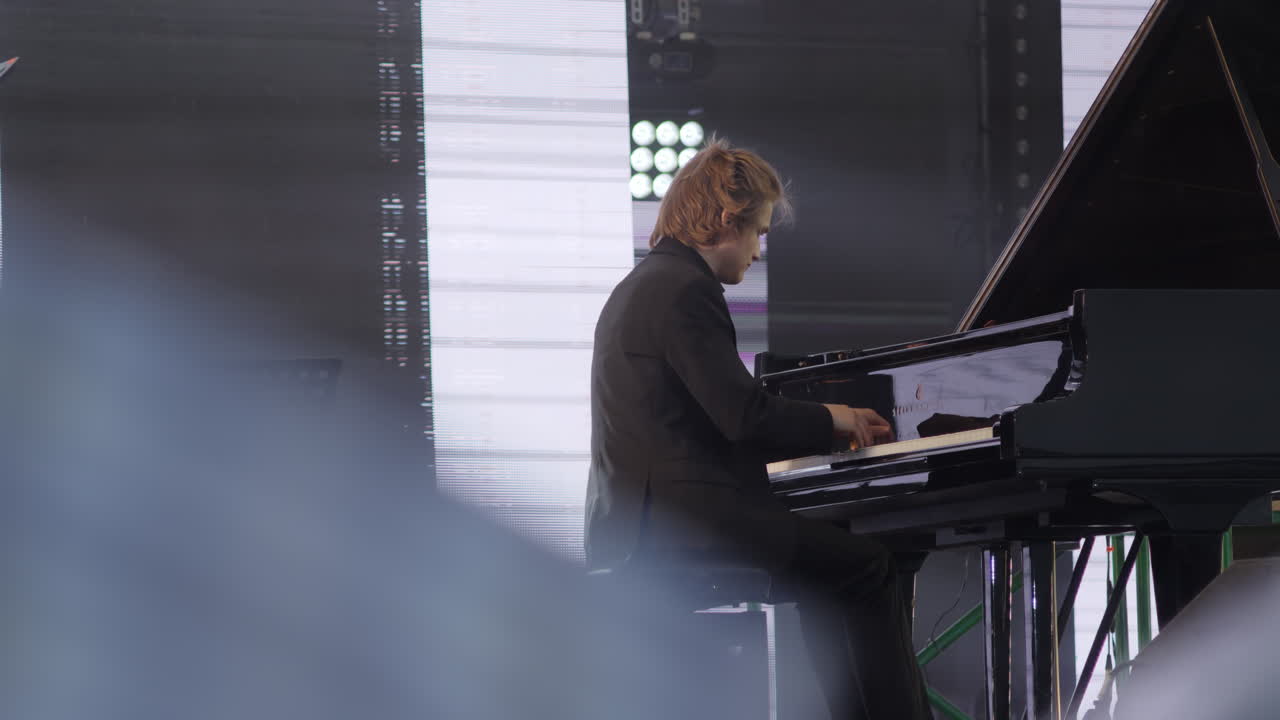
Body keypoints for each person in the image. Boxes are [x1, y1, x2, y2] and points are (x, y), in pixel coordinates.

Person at [584, 137, 931, 719]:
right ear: (726, 221)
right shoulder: (687, 291)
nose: (759, 250)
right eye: (759, 233)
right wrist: (835, 419)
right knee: (869, 568)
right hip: (686, 526)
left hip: (636, 524)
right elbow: (743, 416)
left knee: (835, 572)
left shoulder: (641, 285)